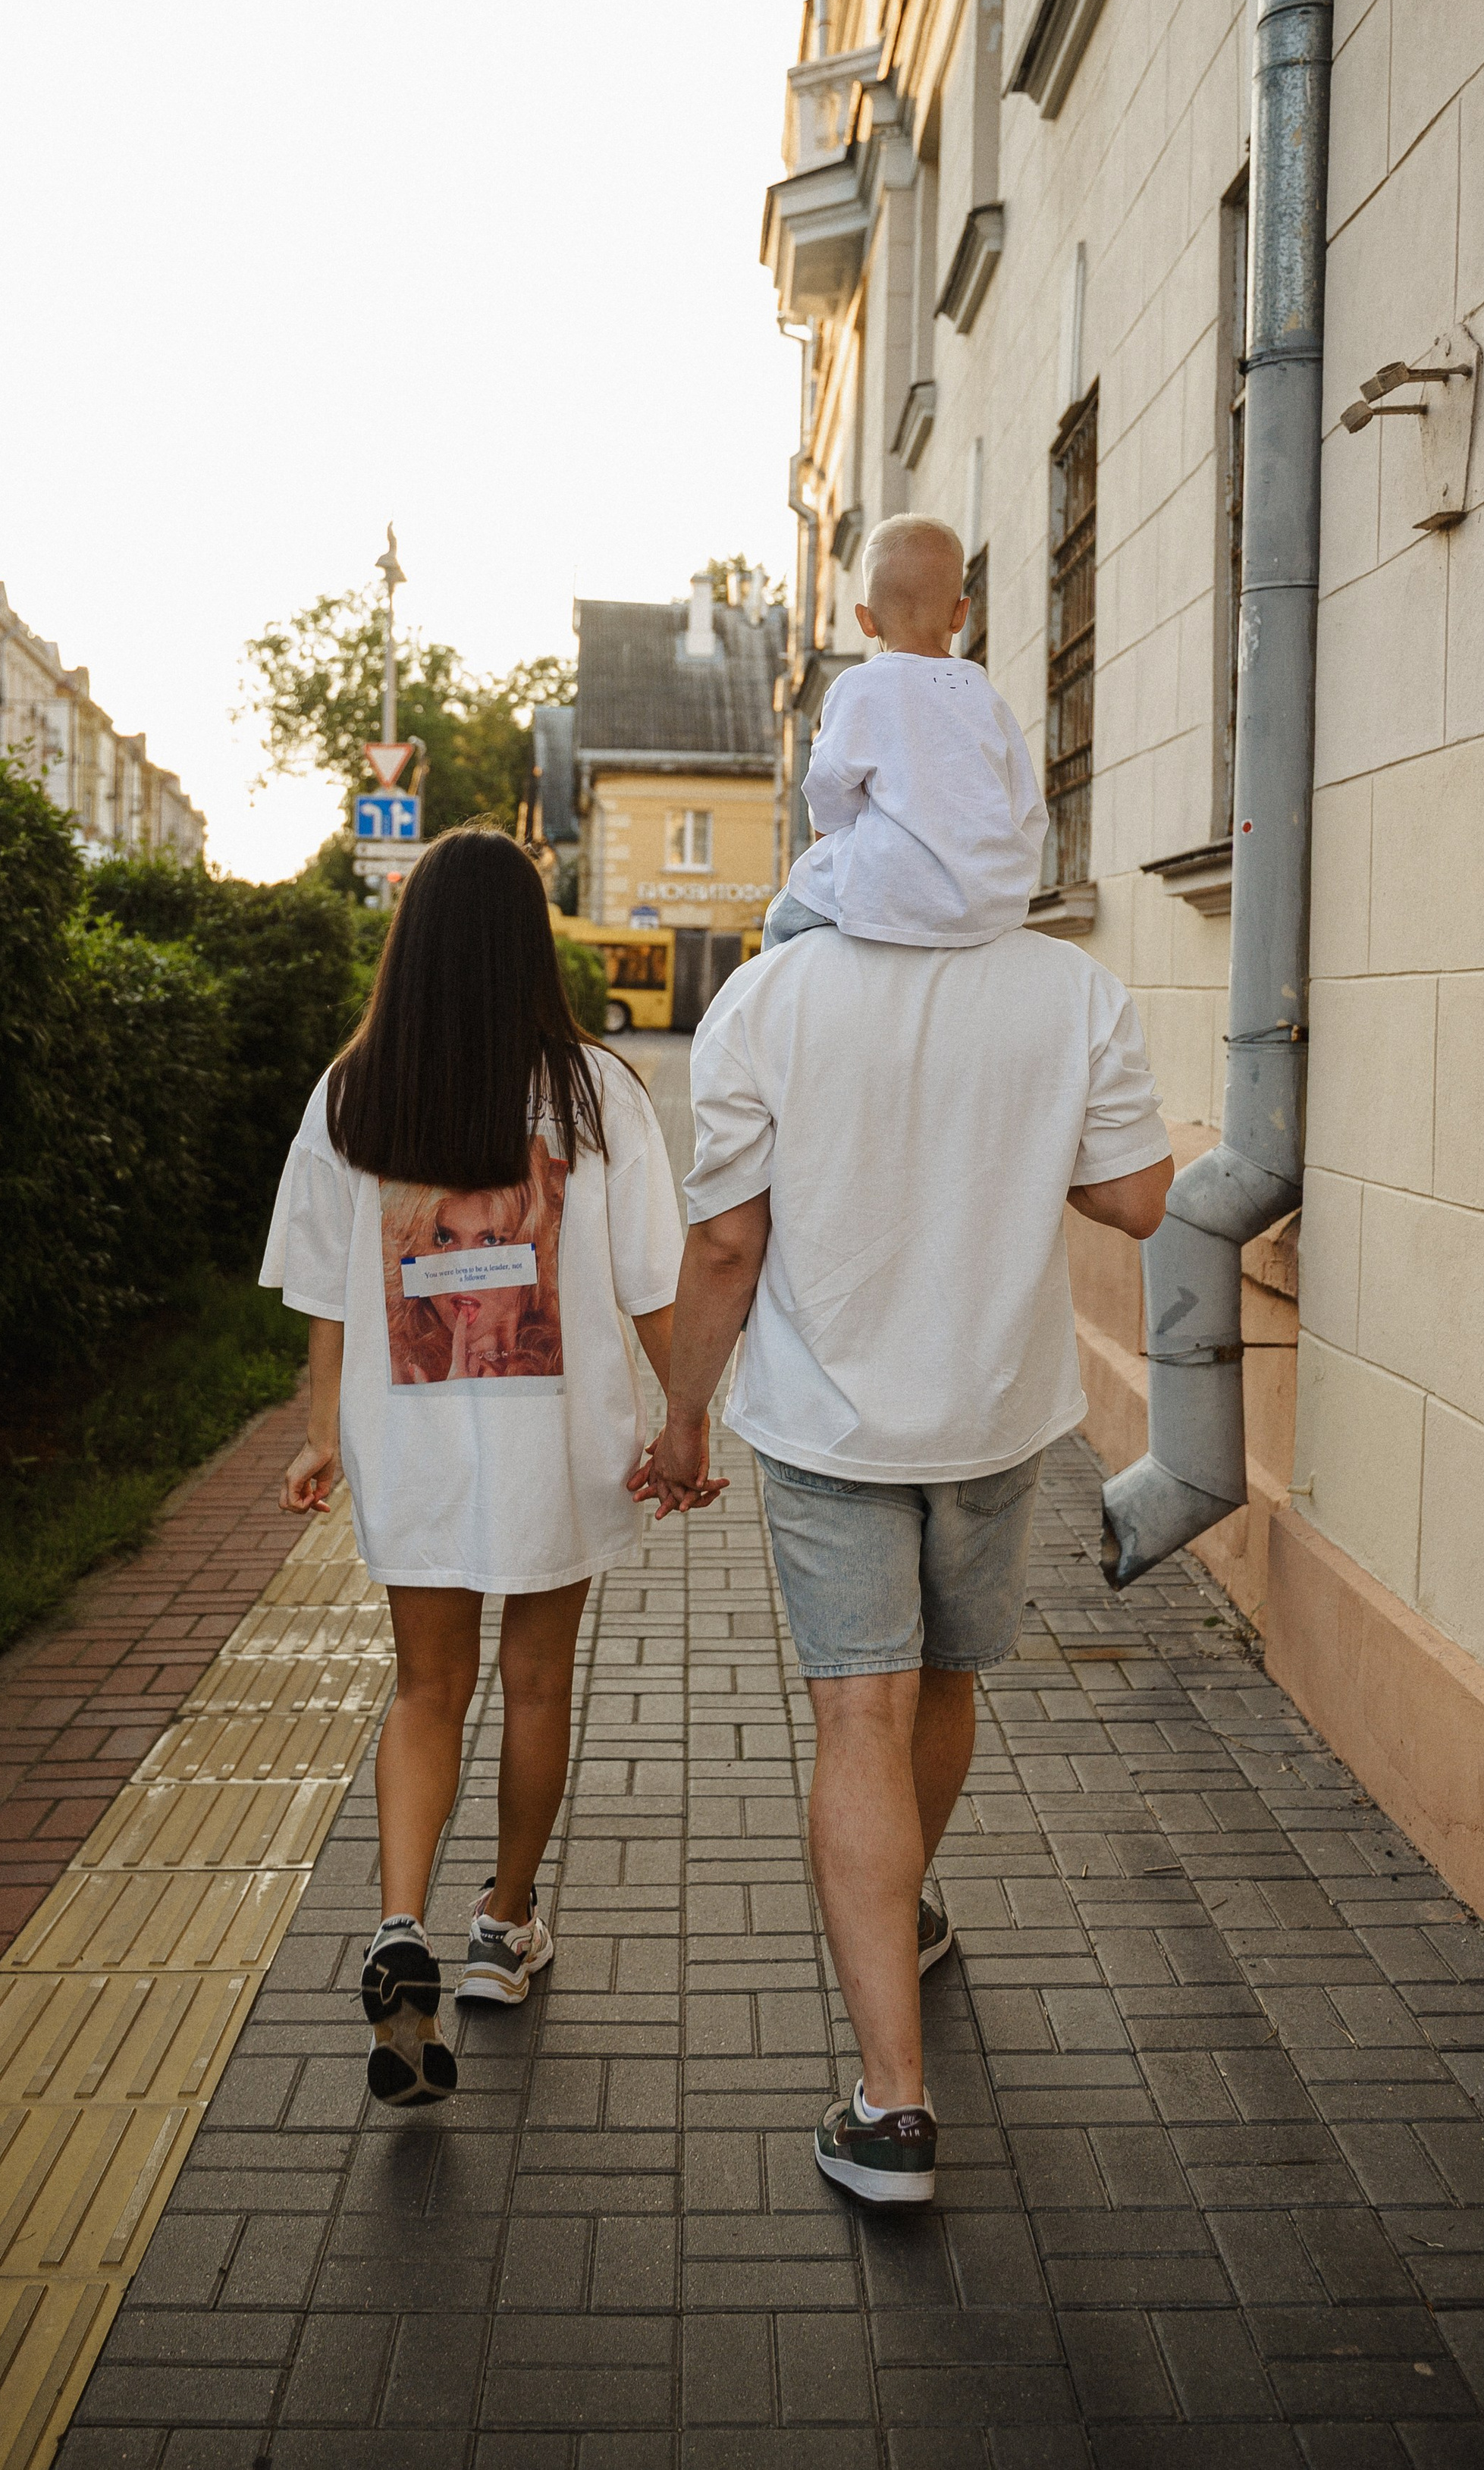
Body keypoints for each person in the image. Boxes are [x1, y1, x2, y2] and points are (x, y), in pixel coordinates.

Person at [630, 903, 1172, 2205]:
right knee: (942, 1681)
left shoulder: (773, 995)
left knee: (856, 1710)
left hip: (829, 1422)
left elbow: (725, 1241)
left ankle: (892, 2109)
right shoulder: (1071, 985)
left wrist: (687, 1413)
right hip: (995, 1412)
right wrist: (1011, 1126)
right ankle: (908, 1914)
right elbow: (1142, 1197)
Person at [262, 828, 704, 2107]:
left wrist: (316, 1432)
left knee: (423, 1691)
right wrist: (686, 1420)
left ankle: (400, 1923)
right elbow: (651, 1288)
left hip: (409, 1447)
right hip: (560, 1446)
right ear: (531, 944)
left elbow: (322, 1300)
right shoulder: (595, 1095)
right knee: (536, 1685)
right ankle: (502, 1929)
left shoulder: (353, 1092)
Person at [764, 513, 1048, 949]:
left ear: (866, 619)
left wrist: (837, 842)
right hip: (985, 902)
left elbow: (826, 791)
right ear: (960, 614)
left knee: (782, 918)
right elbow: (1027, 807)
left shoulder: (858, 687)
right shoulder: (987, 698)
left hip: (885, 887)